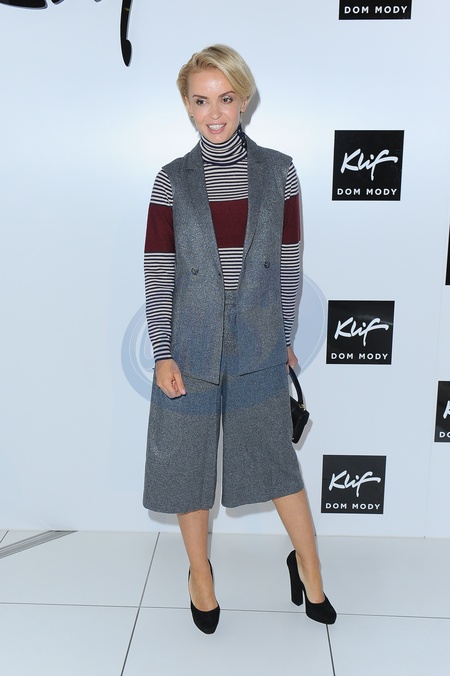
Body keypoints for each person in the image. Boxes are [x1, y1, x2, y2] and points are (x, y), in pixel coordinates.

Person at [143, 44, 336, 634]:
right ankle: (200, 575)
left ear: (244, 99)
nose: (215, 113)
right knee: (187, 466)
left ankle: (309, 567)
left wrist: (284, 336)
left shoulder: (279, 171)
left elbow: (289, 260)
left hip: (257, 343)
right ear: (187, 105)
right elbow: (158, 269)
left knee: (275, 462)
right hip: (189, 346)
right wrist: (162, 352)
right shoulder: (171, 181)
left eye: (226, 98)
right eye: (201, 101)